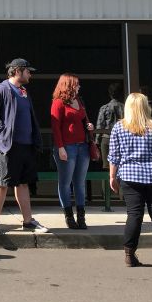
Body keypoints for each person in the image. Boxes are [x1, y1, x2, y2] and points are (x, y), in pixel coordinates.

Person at [108, 93, 152, 268]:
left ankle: (129, 254)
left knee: (134, 214)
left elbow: (114, 156)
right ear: (145, 107)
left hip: (129, 176)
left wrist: (112, 176)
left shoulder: (119, 128)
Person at [0, 58, 47, 235]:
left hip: (26, 145)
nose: (30, 74)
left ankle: (28, 221)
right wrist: (3, 131)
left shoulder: (23, 91)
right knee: (2, 182)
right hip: (8, 145)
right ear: (17, 71)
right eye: (28, 71)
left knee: (23, 183)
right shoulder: (2, 89)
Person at [50, 73, 94, 230]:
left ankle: (81, 217)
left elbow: (81, 120)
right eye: (76, 84)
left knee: (80, 183)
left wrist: (89, 127)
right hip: (67, 147)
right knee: (65, 183)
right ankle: (69, 217)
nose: (79, 86)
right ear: (68, 85)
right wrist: (60, 147)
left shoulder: (79, 101)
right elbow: (55, 127)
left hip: (83, 146)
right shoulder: (58, 102)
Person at [96, 83, 124, 168]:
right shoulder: (125, 107)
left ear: (110, 94)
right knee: (121, 166)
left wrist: (97, 141)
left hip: (106, 140)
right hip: (121, 139)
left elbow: (100, 126)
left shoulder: (104, 108)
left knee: (107, 166)